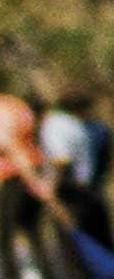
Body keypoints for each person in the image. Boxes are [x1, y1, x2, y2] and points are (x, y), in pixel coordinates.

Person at [0, 81, 74, 279]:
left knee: (4, 239)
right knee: (34, 233)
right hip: (34, 165)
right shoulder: (18, 106)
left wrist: (31, 179)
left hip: (13, 176)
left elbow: (12, 148)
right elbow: (31, 139)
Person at [42, 88, 113, 254]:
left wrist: (50, 186)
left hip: (72, 189)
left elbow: (61, 161)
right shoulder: (99, 128)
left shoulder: (58, 125)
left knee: (74, 243)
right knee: (103, 239)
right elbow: (107, 161)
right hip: (94, 188)